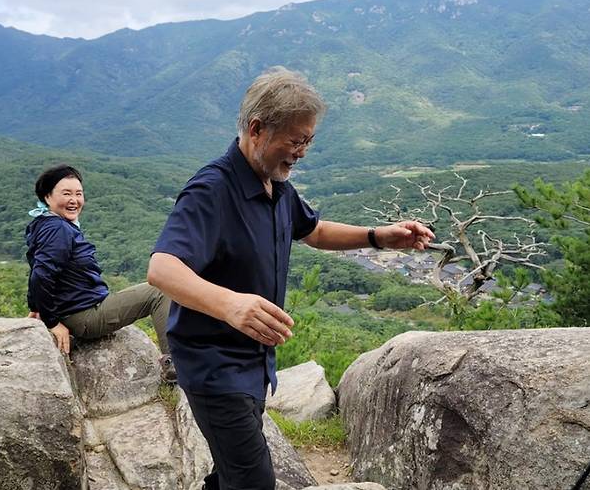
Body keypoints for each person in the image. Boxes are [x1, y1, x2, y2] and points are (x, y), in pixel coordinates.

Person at [148, 67, 435, 489]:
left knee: (230, 473)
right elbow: (162, 267)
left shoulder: (274, 184)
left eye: (308, 141)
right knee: (255, 480)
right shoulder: (213, 190)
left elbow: (313, 231)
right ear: (257, 128)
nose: (302, 151)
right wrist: (231, 304)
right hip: (214, 367)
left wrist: (378, 237)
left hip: (252, 364)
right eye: (296, 140)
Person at [26, 164, 176, 383]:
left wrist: (36, 306)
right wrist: (51, 322)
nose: (74, 200)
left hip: (79, 308)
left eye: (78, 194)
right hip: (83, 316)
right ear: (47, 197)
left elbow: (38, 267)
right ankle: (175, 365)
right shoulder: (57, 229)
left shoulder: (46, 223)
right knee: (160, 290)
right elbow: (41, 274)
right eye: (66, 193)